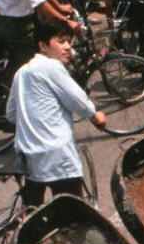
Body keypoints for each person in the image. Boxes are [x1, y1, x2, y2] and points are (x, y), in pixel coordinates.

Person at [10, 16, 109, 205]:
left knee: (32, 211)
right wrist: (95, 116)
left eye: (69, 42)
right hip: (56, 153)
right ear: (43, 46)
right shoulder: (52, 67)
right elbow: (77, 99)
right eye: (61, 41)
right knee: (71, 212)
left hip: (28, 154)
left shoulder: (21, 73)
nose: (67, 47)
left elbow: (11, 114)